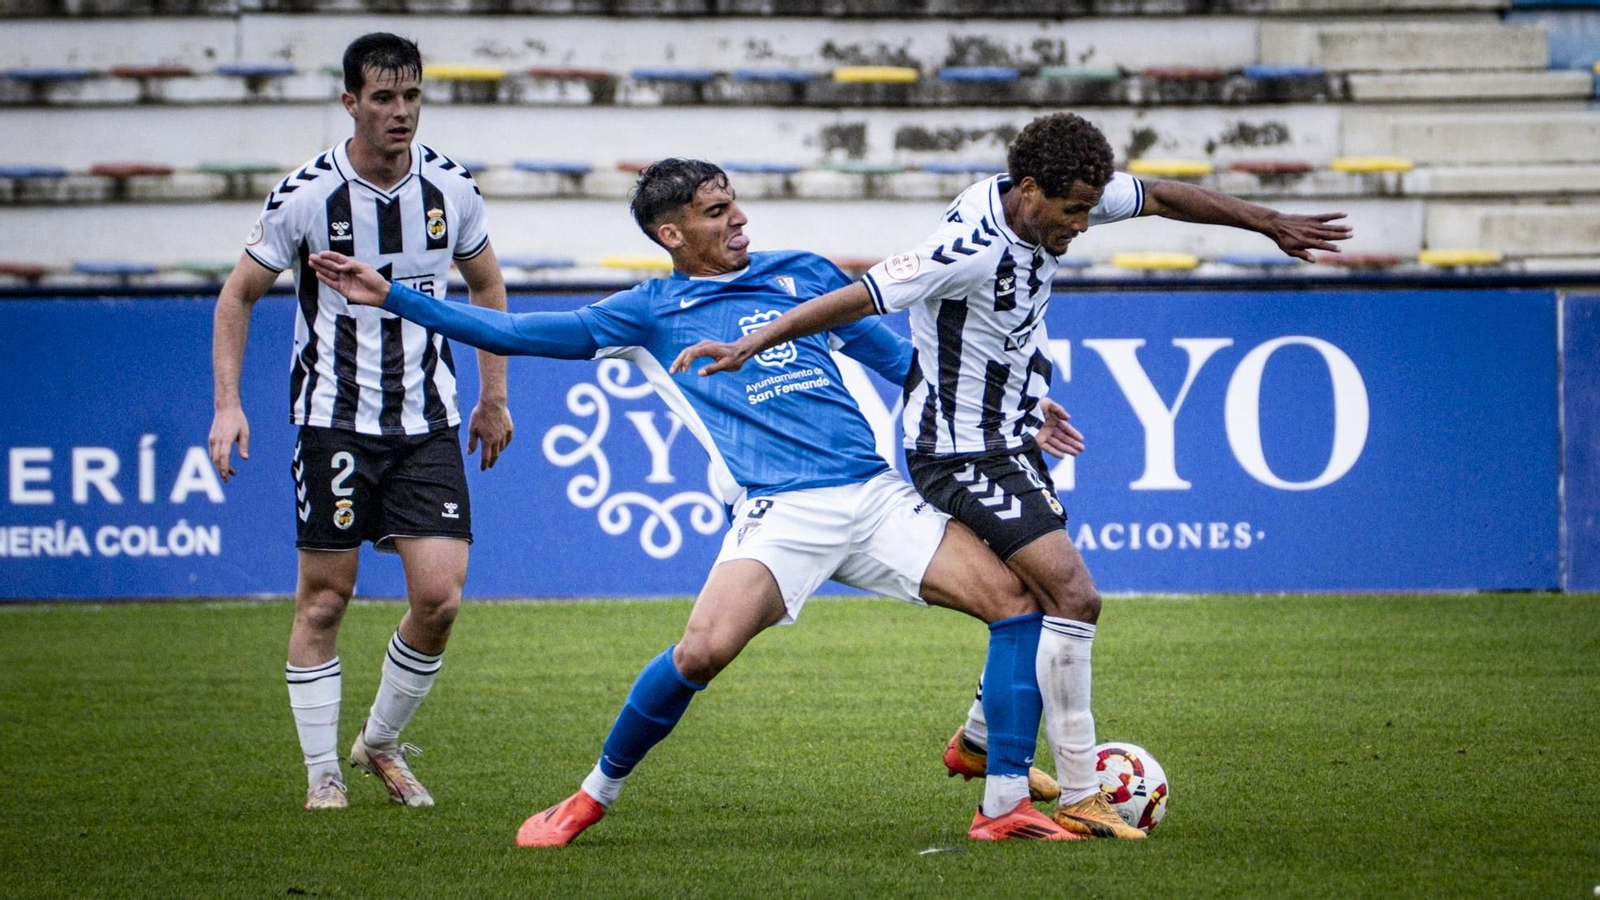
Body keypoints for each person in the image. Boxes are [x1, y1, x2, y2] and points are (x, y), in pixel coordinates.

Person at [307, 158, 1089, 845]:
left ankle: (1001, 802)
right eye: (717, 212)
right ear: (672, 234)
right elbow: (515, 332)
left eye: (735, 203)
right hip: (780, 513)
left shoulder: (805, 275)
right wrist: (393, 298)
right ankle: (590, 797)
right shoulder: (649, 310)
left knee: (1015, 603)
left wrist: (1016, 410)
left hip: (874, 496)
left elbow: (907, 367)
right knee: (699, 654)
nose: (739, 218)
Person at [671, 112, 1355, 840]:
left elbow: (1158, 197)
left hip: (1007, 440)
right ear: (1029, 191)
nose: (1085, 225)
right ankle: (1084, 791)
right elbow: (862, 295)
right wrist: (753, 341)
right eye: (1072, 212)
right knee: (1074, 595)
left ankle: (976, 739)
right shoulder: (963, 248)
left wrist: (1268, 221)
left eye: (1090, 208)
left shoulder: (1060, 195)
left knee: (1030, 598)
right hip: (957, 453)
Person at [207, 32, 514, 811]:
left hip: (428, 420)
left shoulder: (451, 189)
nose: (400, 112)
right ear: (351, 103)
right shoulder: (308, 195)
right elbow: (237, 295)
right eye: (383, 97)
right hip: (334, 422)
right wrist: (227, 404)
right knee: (325, 599)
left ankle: (377, 743)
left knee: (440, 597)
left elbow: (487, 287)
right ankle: (322, 775)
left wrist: (493, 396)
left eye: (411, 95)